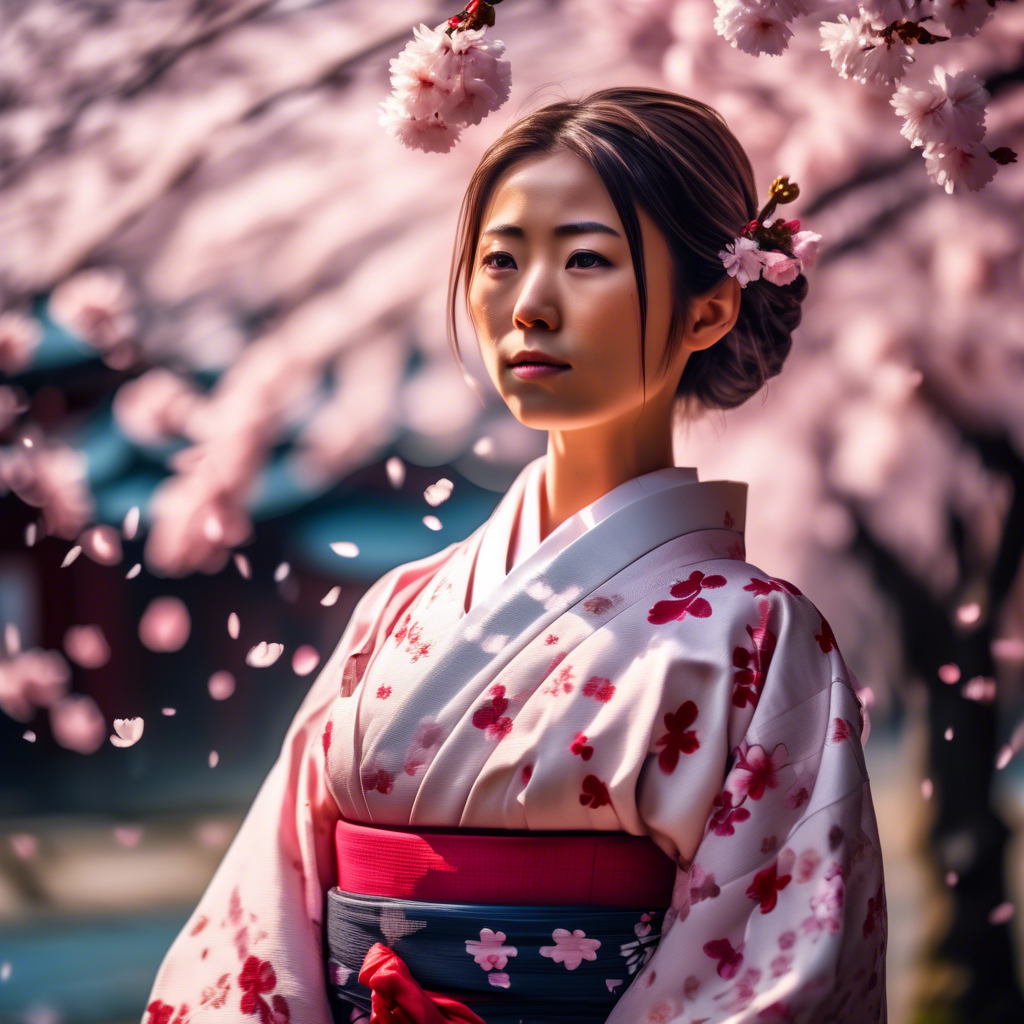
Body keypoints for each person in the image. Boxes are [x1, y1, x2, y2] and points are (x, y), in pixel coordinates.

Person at [142, 87, 886, 1024]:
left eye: (586, 259)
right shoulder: (399, 605)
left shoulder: (759, 636)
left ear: (707, 311)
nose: (529, 306)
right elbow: (264, 911)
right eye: (501, 260)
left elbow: (770, 971)